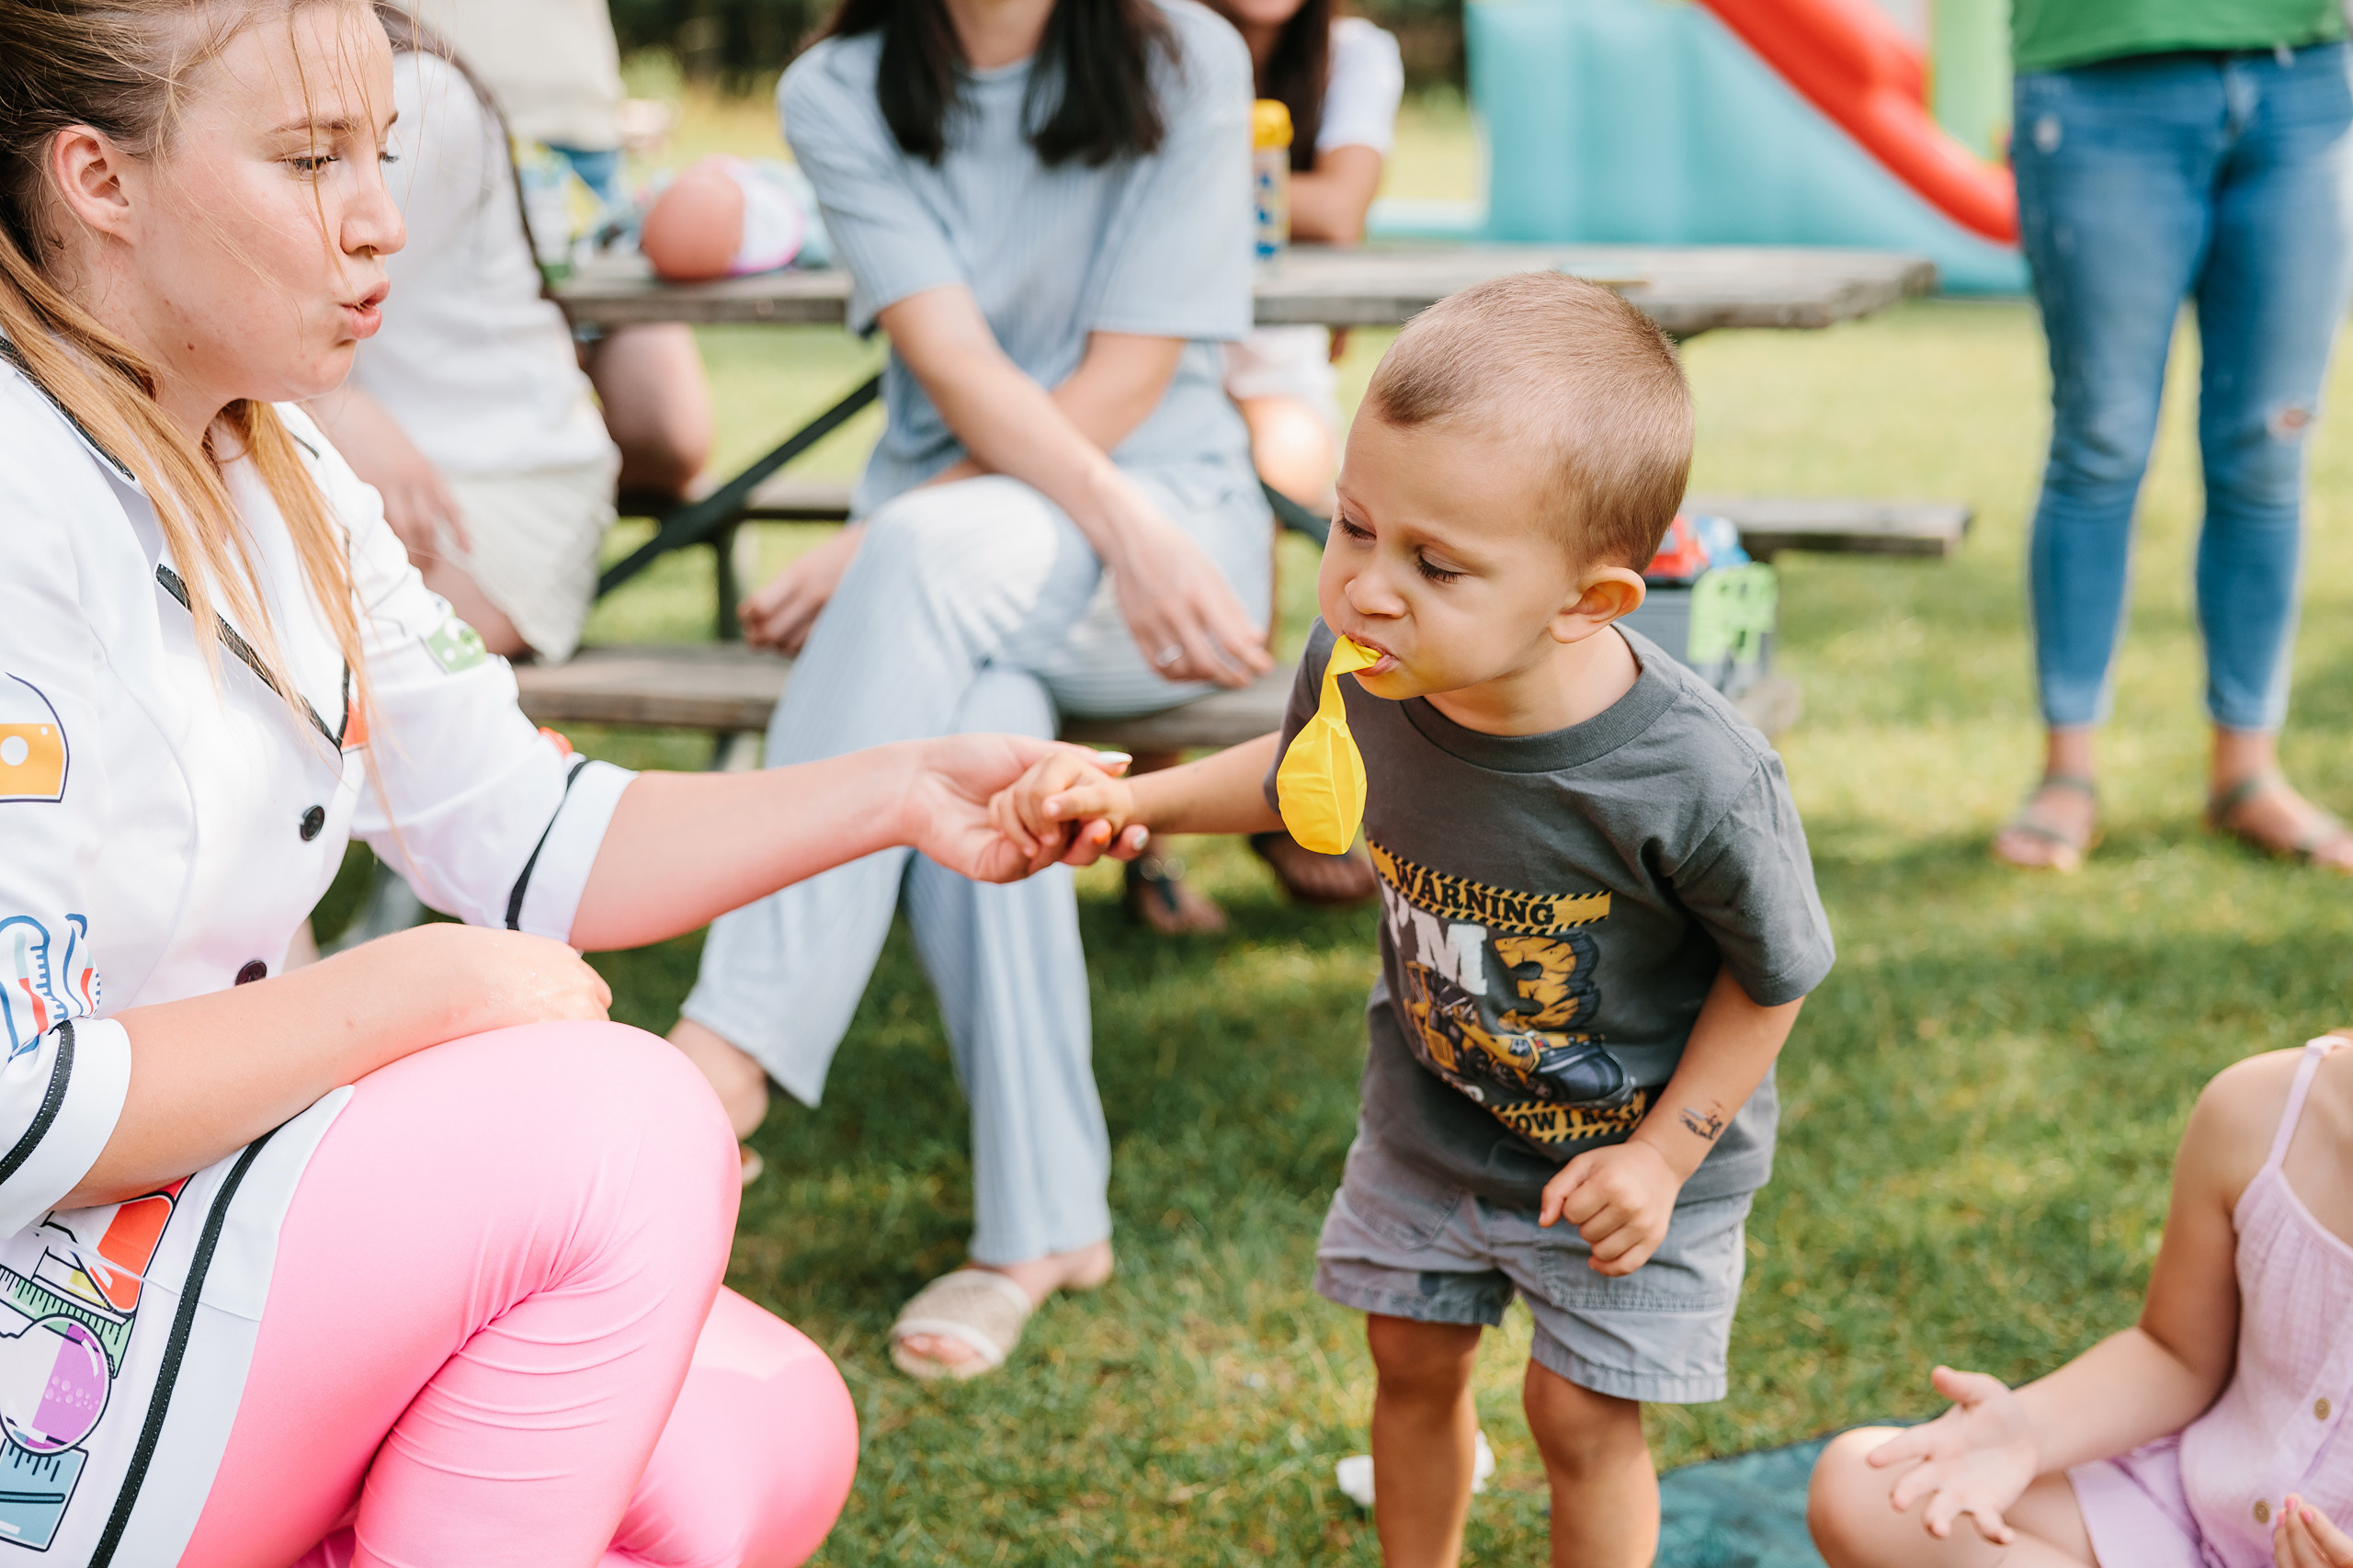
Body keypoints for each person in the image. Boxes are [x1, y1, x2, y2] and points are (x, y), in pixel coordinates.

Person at [0, 1, 1077, 1559]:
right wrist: (432, 989)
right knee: (629, 1127)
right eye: (311, 159)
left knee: (762, 1423)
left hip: (171, 1242)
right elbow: (19, 1110)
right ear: (99, 178)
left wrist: (901, 789)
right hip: (48, 1353)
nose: (381, 222)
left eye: (383, 152)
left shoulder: (279, 464)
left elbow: (534, 832)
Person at [991, 274, 1837, 1568]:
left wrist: (1666, 1157)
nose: (1368, 589)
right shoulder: (1369, 666)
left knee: (1580, 1412)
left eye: (1436, 564)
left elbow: (1773, 974)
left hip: (1627, 1154)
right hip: (1434, 1121)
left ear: (1587, 602)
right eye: (1352, 525)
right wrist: (1133, 795)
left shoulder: (1695, 774)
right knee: (1409, 1355)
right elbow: (1301, 778)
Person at [666, 0, 1277, 1380]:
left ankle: (730, 1052)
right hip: (992, 553)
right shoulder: (838, 88)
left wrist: (910, 537)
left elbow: (1126, 376)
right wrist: (907, 541)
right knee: (979, 726)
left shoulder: (1191, 52)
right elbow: (958, 366)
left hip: (1169, 549)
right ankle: (1042, 1226)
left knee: (932, 579)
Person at [1990, 11, 2353, 874]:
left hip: (2301, 74)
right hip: (2101, 70)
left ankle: (2247, 772)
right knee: (2101, 442)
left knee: (2270, 447)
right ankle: (2067, 774)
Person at [1808, 1031, 2353, 1568]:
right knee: (1862, 1485)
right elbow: (2175, 1354)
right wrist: (2027, 1431)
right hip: (2178, 1513)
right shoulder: (2259, 1110)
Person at [1122, 0, 1403, 936]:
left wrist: (1195, 183)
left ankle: (1293, 789)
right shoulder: (1132, 38)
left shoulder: (1355, 56)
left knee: (1296, 494)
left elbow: (1339, 208)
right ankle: (1153, 838)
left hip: (1268, 352)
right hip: (1148, 344)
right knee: (1173, 521)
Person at [304, 8, 704, 665]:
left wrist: (327, 407)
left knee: (337, 675)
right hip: (346, 458)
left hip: (492, 479)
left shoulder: (415, 94)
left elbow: (299, 297)